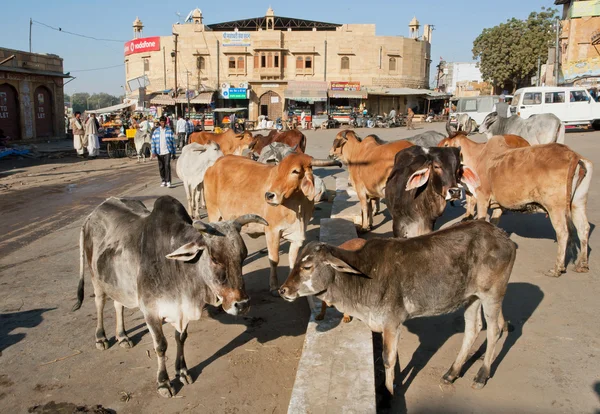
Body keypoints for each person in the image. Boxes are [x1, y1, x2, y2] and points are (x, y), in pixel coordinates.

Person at [151, 116, 176, 188]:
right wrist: (153, 152)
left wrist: (173, 152)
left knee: (167, 165)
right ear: (160, 122)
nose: (163, 123)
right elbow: (153, 142)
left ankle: (168, 181)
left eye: (164, 122)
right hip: (159, 151)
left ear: (166, 122)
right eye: (162, 122)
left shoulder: (169, 131)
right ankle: (163, 180)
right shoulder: (156, 132)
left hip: (167, 151)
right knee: (161, 167)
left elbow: (173, 142)